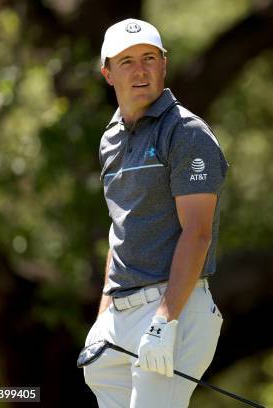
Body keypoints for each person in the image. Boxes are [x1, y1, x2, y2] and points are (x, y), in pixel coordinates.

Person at [83, 18, 228, 408]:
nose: (140, 69)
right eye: (126, 61)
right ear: (107, 73)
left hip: (174, 307)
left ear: (164, 63)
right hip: (120, 313)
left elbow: (197, 232)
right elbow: (122, 228)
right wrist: (103, 317)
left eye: (149, 57)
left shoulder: (186, 133)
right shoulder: (110, 140)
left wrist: (165, 320)